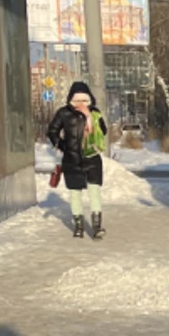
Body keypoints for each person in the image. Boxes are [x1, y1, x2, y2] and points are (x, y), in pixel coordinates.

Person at [46, 82, 108, 239]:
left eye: (84, 100)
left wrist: (91, 118)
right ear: (71, 100)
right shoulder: (63, 113)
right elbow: (52, 130)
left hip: (92, 158)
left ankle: (96, 227)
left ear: (90, 100)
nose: (81, 104)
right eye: (77, 100)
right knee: (75, 193)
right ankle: (79, 227)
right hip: (71, 159)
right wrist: (61, 145)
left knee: (94, 192)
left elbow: (104, 131)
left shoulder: (94, 113)